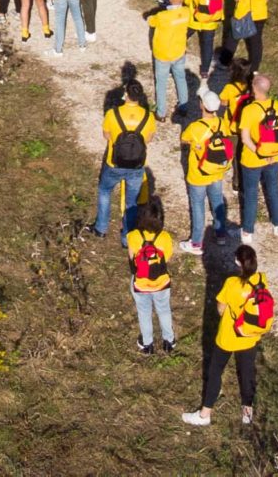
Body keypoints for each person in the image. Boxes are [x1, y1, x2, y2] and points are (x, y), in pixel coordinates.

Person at [181, 244, 270, 427]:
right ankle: (247, 410)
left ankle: (205, 414)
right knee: (247, 372)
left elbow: (221, 309)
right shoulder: (262, 279)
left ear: (238, 262)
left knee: (215, 371)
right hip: (250, 337)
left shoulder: (232, 283)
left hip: (229, 337)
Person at [93, 78, 155, 236]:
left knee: (105, 191)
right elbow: (148, 139)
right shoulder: (148, 116)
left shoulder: (112, 114)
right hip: (136, 165)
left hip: (114, 163)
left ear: (126, 94)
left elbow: (106, 135)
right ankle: (128, 236)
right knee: (131, 202)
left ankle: (101, 228)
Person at [234, 71, 278, 239]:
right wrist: (275, 150)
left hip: (252, 160)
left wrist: (260, 153)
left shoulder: (249, 110)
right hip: (275, 157)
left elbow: (245, 138)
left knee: (251, 194)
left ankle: (248, 231)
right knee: (274, 190)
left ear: (254, 88)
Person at [180, 87, 235, 254]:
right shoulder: (222, 123)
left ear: (202, 105)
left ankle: (197, 242)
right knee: (217, 201)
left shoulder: (195, 127)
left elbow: (184, 139)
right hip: (217, 172)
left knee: (198, 206)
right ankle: (220, 234)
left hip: (198, 174)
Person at [124, 194, 177, 355]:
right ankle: (169, 341)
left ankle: (147, 344)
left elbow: (132, 259)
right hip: (161, 282)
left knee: (144, 312)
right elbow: (167, 258)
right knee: (164, 310)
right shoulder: (165, 237)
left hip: (141, 283)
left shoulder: (133, 236)